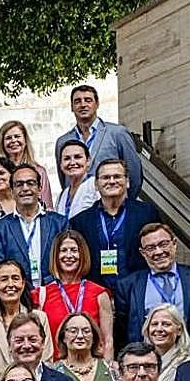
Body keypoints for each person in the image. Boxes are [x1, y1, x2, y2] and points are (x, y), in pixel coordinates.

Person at [115, 222, 190, 354]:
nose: (158, 252)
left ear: (174, 244)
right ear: (143, 252)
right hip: (148, 358)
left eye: (163, 244)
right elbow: (122, 329)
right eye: (150, 248)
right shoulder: (127, 285)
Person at [69, 159, 158, 294]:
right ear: (96, 184)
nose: (111, 181)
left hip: (139, 292)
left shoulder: (147, 213)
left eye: (117, 176)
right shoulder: (80, 222)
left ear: (127, 182)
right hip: (97, 295)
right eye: (105, 177)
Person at [32, 229, 115, 359]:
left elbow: (107, 341)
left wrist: (107, 368)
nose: (69, 255)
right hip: (55, 367)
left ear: (82, 254)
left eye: (74, 250)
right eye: (63, 250)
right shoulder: (41, 295)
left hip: (91, 367)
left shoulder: (100, 294)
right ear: (55, 255)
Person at [54, 84, 143, 199]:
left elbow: (134, 174)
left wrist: (124, 204)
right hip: (76, 206)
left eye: (88, 100)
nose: (83, 105)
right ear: (72, 107)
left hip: (111, 205)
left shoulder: (117, 134)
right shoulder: (63, 142)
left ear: (97, 104)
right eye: (77, 101)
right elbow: (64, 179)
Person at [0, 163, 68, 287]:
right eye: (19, 184)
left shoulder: (59, 223)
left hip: (54, 291)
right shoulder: (0, 229)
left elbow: (67, 261)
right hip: (17, 292)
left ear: (40, 188)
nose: (25, 188)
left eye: (30, 183)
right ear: (12, 191)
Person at [0, 260, 53, 381]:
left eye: (15, 278)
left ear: (23, 283)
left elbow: (46, 360)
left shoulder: (39, 317)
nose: (10, 284)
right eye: (4, 279)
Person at [54, 312, 120, 381]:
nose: (80, 336)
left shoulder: (113, 370)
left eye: (86, 331)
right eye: (73, 331)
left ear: (94, 338)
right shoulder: (54, 372)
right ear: (63, 337)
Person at [0, 120, 52, 206]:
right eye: (8, 138)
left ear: (25, 141)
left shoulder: (39, 171)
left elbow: (47, 205)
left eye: (17, 136)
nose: (13, 140)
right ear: (2, 143)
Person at [143, 303, 190, 381]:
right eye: (154, 324)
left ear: (179, 330)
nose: (159, 329)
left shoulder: (188, 366)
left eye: (166, 324)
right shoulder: (141, 364)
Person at [52, 139, 96, 221]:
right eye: (67, 158)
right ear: (60, 164)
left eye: (77, 157)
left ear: (88, 161)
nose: (72, 163)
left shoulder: (96, 186)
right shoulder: (62, 195)